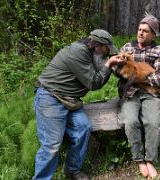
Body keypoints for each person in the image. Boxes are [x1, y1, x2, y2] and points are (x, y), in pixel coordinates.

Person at [32, 29, 123, 180]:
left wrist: (111, 64)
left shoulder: (90, 53)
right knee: (52, 144)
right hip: (51, 97)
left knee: (83, 127)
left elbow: (100, 73)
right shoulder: (78, 52)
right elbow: (94, 83)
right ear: (97, 46)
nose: (108, 54)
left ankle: (72, 170)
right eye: (107, 50)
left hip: (70, 100)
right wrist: (109, 64)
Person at [117, 15, 160, 179]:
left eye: (145, 31)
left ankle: (150, 160)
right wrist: (119, 69)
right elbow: (118, 71)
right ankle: (139, 159)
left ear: (153, 34)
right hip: (130, 92)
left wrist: (143, 78)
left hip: (150, 92)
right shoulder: (127, 47)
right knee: (130, 121)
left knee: (153, 122)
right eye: (140, 30)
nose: (141, 33)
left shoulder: (159, 51)